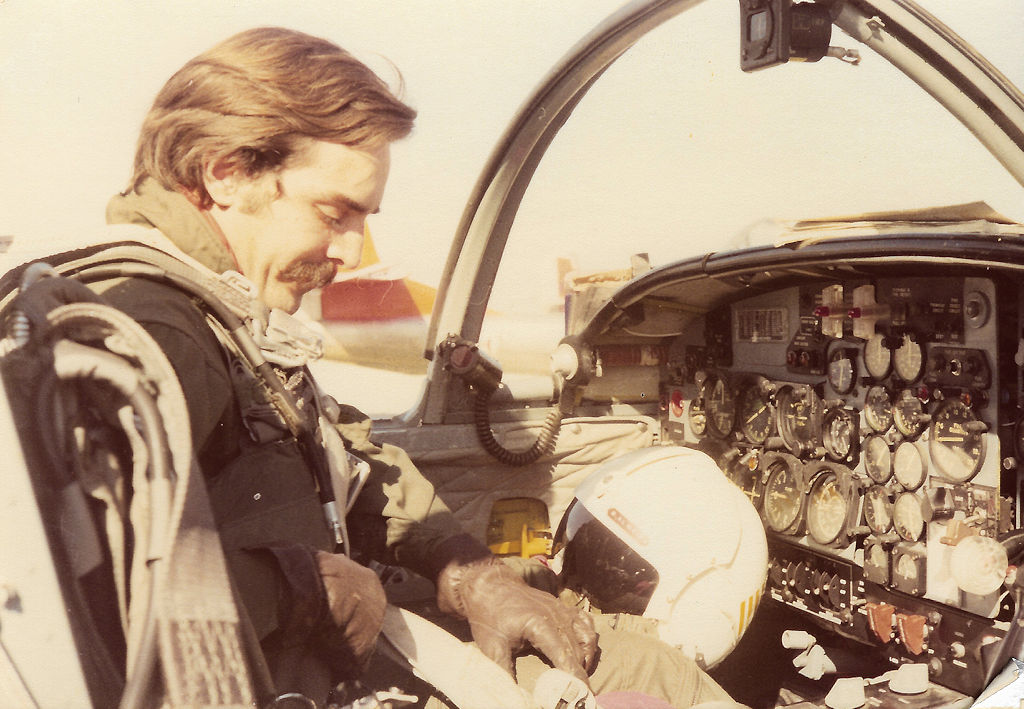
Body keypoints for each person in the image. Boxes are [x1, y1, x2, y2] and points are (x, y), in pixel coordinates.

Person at [92, 26, 740, 708]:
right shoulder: (150, 332)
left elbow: (340, 455)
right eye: (333, 213)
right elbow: (91, 596)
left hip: (317, 646)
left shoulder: (224, 316)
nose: (349, 251)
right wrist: (301, 589)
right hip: (275, 676)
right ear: (225, 173)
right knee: (658, 689)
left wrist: (468, 573)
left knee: (647, 665)